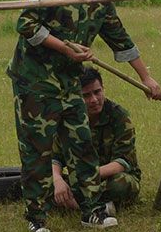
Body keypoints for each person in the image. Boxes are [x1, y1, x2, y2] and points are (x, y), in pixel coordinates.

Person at [8, 0, 161, 232]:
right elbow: (25, 24)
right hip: (35, 82)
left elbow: (121, 41)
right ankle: (36, 218)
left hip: (70, 83)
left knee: (81, 145)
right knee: (37, 151)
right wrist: (64, 47)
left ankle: (91, 211)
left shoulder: (101, 0)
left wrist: (146, 78)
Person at [50, 67, 141, 215]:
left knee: (122, 184)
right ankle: (91, 205)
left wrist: (88, 176)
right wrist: (57, 180)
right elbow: (55, 157)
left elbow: (122, 163)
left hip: (109, 177)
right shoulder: (68, 119)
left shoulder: (119, 117)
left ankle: (80, 203)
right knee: (40, 181)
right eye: (86, 95)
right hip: (79, 179)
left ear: (103, 89)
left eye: (97, 92)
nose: (94, 100)